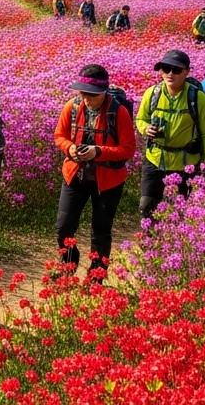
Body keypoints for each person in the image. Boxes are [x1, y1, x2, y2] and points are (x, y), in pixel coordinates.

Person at [52, 65, 136, 278]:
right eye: (83, 93)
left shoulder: (119, 112)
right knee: (63, 226)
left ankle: (96, 276)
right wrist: (70, 148)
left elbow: (128, 149)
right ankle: (68, 266)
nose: (87, 99)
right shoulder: (72, 106)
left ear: (104, 92)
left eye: (92, 95)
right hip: (75, 175)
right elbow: (59, 135)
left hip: (108, 181)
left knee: (100, 230)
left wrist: (97, 152)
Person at [133, 49, 205, 218]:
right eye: (165, 69)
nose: (170, 74)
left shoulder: (198, 99)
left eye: (176, 70)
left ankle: (171, 242)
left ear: (186, 72)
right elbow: (140, 119)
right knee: (147, 206)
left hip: (185, 162)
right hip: (155, 158)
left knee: (178, 210)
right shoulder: (152, 93)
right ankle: (151, 242)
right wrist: (146, 128)